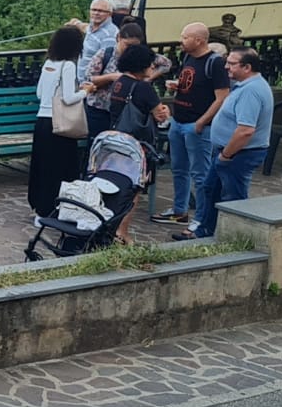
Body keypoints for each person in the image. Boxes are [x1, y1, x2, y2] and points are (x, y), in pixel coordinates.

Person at [180, 48, 272, 241]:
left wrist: (227, 155)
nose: (226, 67)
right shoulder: (243, 85)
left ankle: (236, 238)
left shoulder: (251, 91)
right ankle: (206, 231)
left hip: (240, 153)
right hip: (229, 152)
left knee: (232, 197)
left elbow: (246, 130)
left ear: (247, 67)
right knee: (210, 188)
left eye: (231, 63)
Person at [152, 22, 231, 230]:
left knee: (200, 174)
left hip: (197, 126)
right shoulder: (188, 57)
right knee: (179, 169)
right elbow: (191, 84)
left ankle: (202, 218)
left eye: (185, 37)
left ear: (199, 40)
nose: (181, 40)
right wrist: (177, 86)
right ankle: (180, 210)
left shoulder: (214, 63)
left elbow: (222, 97)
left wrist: (202, 121)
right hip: (178, 121)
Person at [105, 42, 172, 244]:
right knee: (134, 189)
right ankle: (122, 232)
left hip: (116, 139)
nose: (152, 67)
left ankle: (109, 227)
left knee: (116, 185)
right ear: (143, 65)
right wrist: (166, 112)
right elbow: (160, 116)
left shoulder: (119, 82)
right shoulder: (144, 88)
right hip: (137, 145)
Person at [28, 25, 88, 218]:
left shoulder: (48, 64)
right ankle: (56, 208)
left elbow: (39, 93)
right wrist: (86, 91)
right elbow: (69, 98)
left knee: (42, 166)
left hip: (42, 121)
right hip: (60, 124)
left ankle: (39, 206)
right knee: (61, 168)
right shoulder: (69, 66)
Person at [83, 23, 170, 138]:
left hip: (126, 113)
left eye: (135, 46)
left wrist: (149, 77)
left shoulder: (141, 59)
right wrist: (111, 77)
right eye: (127, 45)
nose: (130, 49)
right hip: (101, 109)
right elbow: (88, 79)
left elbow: (166, 63)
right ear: (118, 38)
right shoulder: (106, 54)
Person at [70, 0, 117, 91]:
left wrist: (93, 86)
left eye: (101, 11)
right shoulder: (92, 28)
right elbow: (84, 27)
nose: (96, 13)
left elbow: (108, 64)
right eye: (94, 10)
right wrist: (75, 22)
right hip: (82, 84)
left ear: (110, 14)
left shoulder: (110, 35)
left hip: (94, 88)